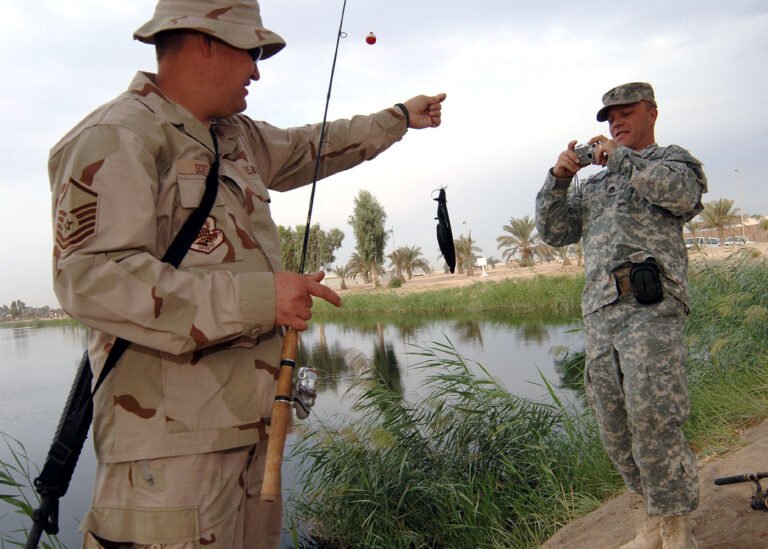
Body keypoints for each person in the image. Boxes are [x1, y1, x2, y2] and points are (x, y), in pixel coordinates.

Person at [48, 1, 446, 547]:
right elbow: (91, 279)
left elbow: (315, 145)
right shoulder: (116, 137)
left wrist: (400, 117)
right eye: (251, 51)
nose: (257, 70)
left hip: (259, 443)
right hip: (171, 466)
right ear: (204, 41)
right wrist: (262, 299)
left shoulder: (235, 137)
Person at [535, 82, 707, 549]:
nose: (615, 123)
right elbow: (553, 231)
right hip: (601, 316)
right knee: (614, 423)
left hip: (651, 309)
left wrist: (622, 158)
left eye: (625, 113)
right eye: (609, 118)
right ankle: (649, 520)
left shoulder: (671, 161)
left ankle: (676, 528)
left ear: (652, 112)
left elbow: (683, 197)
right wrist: (559, 178)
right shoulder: (594, 185)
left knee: (655, 416)